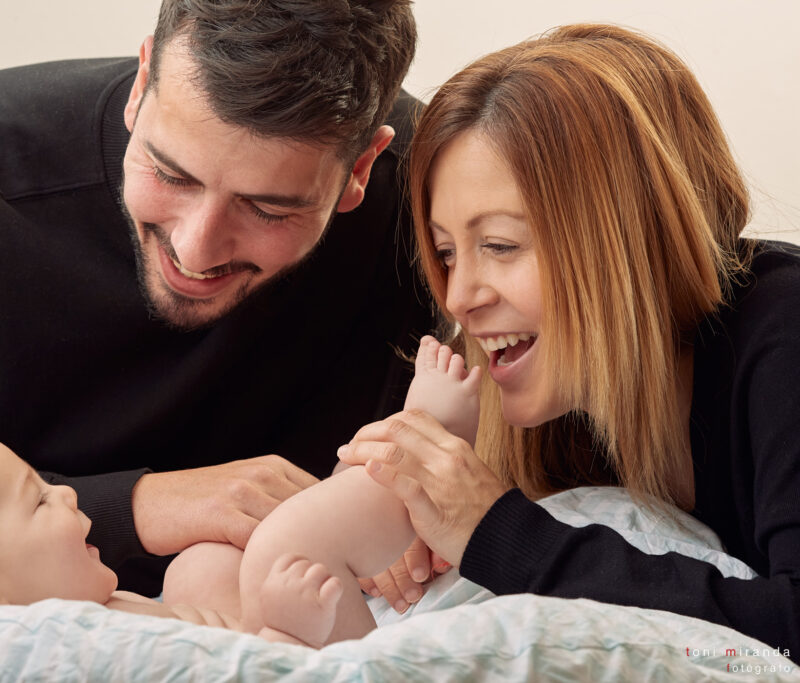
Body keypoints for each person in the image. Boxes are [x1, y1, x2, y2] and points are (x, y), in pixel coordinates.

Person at [0, 0, 435, 598]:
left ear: (361, 168)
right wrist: (144, 506)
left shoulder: (424, 191)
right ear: (142, 81)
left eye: (267, 208)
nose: (196, 249)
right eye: (170, 173)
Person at [339, 23, 800, 656]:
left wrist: (501, 534)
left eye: (499, 245)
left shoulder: (785, 334)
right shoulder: (555, 399)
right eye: (447, 252)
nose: (458, 297)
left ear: (627, 236)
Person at [0, 335, 481, 648]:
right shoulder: (75, 645)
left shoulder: (102, 610)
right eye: (38, 500)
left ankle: (394, 473)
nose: (71, 498)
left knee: (200, 564)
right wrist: (288, 629)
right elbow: (242, 670)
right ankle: (420, 441)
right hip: (316, 647)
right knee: (278, 547)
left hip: (288, 623)